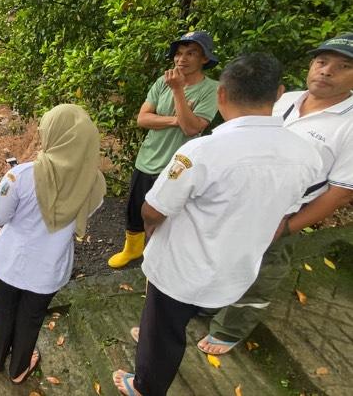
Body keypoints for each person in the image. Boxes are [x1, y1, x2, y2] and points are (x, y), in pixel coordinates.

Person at [113, 53, 323, 396]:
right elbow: (287, 210)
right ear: (279, 93)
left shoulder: (202, 152)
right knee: (185, 314)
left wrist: (153, 232)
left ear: (222, 95)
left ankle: (144, 386)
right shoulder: (306, 155)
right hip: (236, 270)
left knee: (163, 332)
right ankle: (160, 332)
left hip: (182, 269)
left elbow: (153, 209)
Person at [198, 33, 353, 355]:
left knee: (261, 272)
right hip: (236, 202)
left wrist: (286, 228)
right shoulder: (285, 100)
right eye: (322, 62)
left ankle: (229, 329)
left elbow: (339, 192)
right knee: (221, 258)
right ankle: (210, 304)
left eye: (343, 66)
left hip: (280, 215)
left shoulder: (348, 124)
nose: (326, 71)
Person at [0, 104, 106, 384]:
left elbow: (0, 216)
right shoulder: (94, 185)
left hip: (9, 263)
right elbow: (82, 212)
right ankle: (19, 370)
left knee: (4, 312)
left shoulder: (21, 175)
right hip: (48, 269)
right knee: (31, 319)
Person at [108, 31, 220, 269]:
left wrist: (178, 91)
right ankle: (132, 249)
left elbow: (191, 128)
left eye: (191, 53)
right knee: (135, 209)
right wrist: (175, 119)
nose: (182, 59)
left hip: (177, 165)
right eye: (179, 53)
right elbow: (142, 118)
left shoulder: (211, 89)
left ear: (204, 59)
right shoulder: (162, 81)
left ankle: (159, 260)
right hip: (147, 157)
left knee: (165, 215)